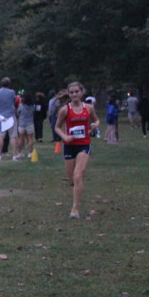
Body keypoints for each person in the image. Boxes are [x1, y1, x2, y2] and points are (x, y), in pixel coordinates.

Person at [55, 81, 100, 219]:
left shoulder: (89, 108)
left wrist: (94, 125)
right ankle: (76, 188)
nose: (74, 94)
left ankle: (75, 209)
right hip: (69, 146)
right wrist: (64, 136)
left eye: (77, 91)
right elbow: (57, 127)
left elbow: (97, 121)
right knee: (72, 181)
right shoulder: (65, 110)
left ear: (81, 93)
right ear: (69, 94)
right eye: (72, 92)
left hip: (84, 145)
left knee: (78, 175)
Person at [0, 77, 18, 161]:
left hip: (0, 116)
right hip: (10, 116)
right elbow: (14, 101)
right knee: (13, 136)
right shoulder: (11, 92)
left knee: (0, 136)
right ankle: (15, 155)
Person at [16, 91, 35, 159]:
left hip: (22, 123)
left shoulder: (21, 106)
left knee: (21, 138)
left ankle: (19, 152)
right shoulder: (32, 106)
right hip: (30, 123)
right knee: (30, 138)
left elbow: (18, 113)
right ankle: (30, 153)